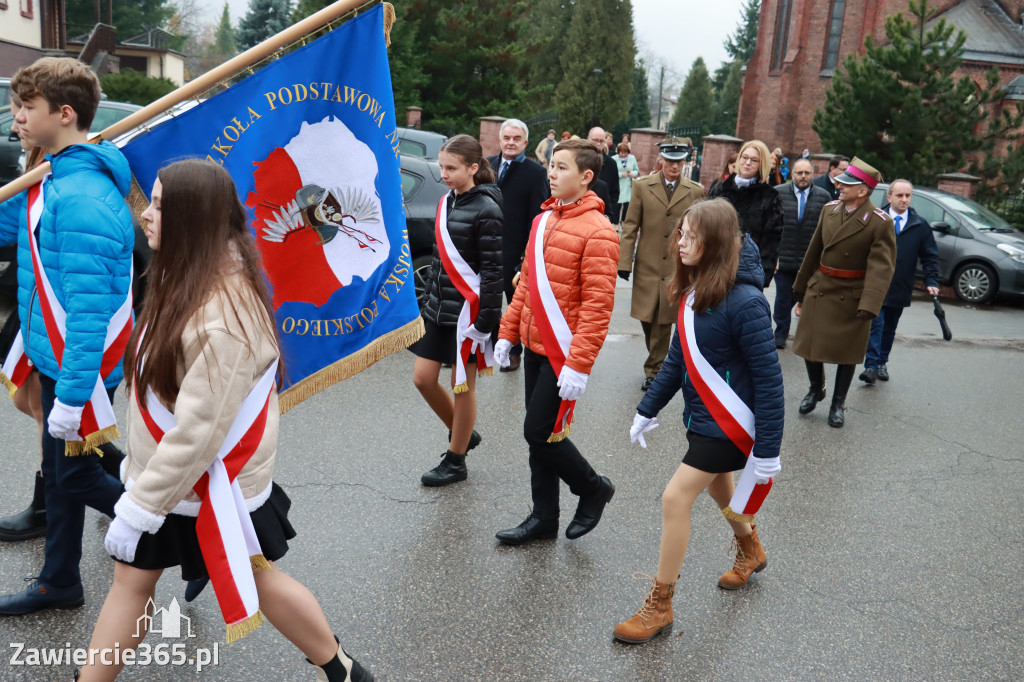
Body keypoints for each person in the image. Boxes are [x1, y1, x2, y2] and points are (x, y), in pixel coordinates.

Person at [75, 159, 373, 682]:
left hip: (207, 484)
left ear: (192, 218)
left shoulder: (226, 312)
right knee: (141, 583)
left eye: (162, 205)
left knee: (253, 579)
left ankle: (341, 668)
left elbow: (199, 431)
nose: (147, 214)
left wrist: (139, 508)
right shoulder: (188, 274)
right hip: (176, 478)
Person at [613, 199, 784, 644]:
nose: (681, 242)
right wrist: (647, 408)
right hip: (702, 416)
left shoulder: (746, 302)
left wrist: (767, 452)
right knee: (720, 487)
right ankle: (750, 549)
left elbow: (769, 383)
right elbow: (677, 361)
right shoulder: (695, 290)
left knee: (675, 499)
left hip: (729, 425)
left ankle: (660, 605)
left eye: (691, 235)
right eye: (681, 234)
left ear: (717, 242)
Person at [0, 58, 133, 616]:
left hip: (77, 368)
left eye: (25, 109)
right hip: (55, 360)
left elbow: (87, 313)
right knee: (60, 480)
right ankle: (60, 581)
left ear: (65, 113)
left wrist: (75, 395)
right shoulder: (50, 175)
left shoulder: (79, 195)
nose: (17, 121)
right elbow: (10, 228)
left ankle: (186, 531)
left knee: (74, 475)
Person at [492, 139, 619, 545]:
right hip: (533, 345)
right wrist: (507, 333)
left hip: (563, 352)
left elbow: (598, 308)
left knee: (537, 432)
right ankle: (544, 517)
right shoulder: (543, 220)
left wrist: (579, 365)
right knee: (542, 437)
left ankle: (593, 487)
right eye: (551, 165)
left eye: (561, 168)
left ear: (586, 177)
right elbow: (527, 285)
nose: (551, 173)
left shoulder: (600, 232)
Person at [412, 134, 503, 486]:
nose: (444, 173)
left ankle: (456, 459)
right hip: (438, 309)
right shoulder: (446, 201)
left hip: (469, 314)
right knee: (422, 378)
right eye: (442, 166)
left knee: (461, 386)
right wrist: (428, 303)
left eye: (451, 168)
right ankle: (462, 432)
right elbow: (438, 261)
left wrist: (484, 324)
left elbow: (494, 273)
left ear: (473, 168)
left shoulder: (488, 209)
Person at [792, 157, 896, 428]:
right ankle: (817, 388)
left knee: (846, 353)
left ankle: (838, 403)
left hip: (852, 293)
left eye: (847, 183)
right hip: (822, 287)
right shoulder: (830, 210)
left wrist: (870, 302)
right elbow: (815, 250)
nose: (839, 185)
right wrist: (801, 288)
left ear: (863, 191)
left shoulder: (879, 222)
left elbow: (881, 267)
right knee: (808, 346)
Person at [619, 137, 704, 391]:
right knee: (647, 318)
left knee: (664, 321)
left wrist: (698, 266)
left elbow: (699, 231)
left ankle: (654, 370)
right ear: (661, 159)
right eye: (669, 160)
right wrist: (625, 262)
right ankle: (656, 361)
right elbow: (631, 226)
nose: (674, 166)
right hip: (647, 265)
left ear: (684, 162)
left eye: (679, 161)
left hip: (677, 267)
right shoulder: (643, 186)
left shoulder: (695, 191)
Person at [859, 179, 940, 384]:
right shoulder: (874, 218)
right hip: (875, 284)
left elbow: (930, 255)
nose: (904, 200)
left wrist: (932, 280)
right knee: (875, 324)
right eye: (899, 195)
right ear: (889, 197)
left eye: (908, 196)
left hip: (900, 285)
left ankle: (881, 362)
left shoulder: (919, 225)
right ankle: (871, 365)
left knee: (889, 327)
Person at [486, 119, 549, 373]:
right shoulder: (486, 165)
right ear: (500, 140)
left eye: (516, 139)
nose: (511, 142)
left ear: (525, 143)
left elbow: (538, 215)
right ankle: (483, 346)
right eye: (507, 138)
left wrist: (528, 253)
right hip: (486, 246)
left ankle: (514, 351)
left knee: (515, 303)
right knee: (484, 300)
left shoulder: (535, 173)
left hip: (515, 249)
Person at [707, 139, 784, 290]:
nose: (747, 163)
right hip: (714, 269)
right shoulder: (720, 189)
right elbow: (706, 227)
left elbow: (771, 241)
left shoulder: (770, 196)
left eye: (754, 160)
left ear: (761, 165)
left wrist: (762, 277)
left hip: (748, 275)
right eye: (744, 157)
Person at [772, 158, 831, 349]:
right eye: (799, 173)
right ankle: (780, 333)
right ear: (792, 174)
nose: (803, 176)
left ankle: (805, 337)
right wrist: (774, 256)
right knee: (783, 298)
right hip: (784, 258)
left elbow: (827, 229)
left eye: (807, 173)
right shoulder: (779, 193)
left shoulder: (824, 197)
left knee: (808, 299)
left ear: (812, 174)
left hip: (810, 260)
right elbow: (772, 227)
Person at [587, 126, 620, 223]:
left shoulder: (611, 164)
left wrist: (608, 215)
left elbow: (614, 192)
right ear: (588, 139)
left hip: (600, 215)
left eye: (601, 141)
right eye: (595, 140)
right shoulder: (578, 160)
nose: (598, 143)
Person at [615, 141, 640, 223]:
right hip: (618, 184)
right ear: (618, 152)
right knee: (617, 205)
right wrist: (621, 174)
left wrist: (632, 174)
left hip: (629, 184)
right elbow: (612, 172)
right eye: (622, 153)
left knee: (627, 205)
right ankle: (615, 223)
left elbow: (636, 170)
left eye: (625, 153)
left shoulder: (632, 158)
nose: (623, 154)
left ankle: (623, 221)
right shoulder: (614, 158)